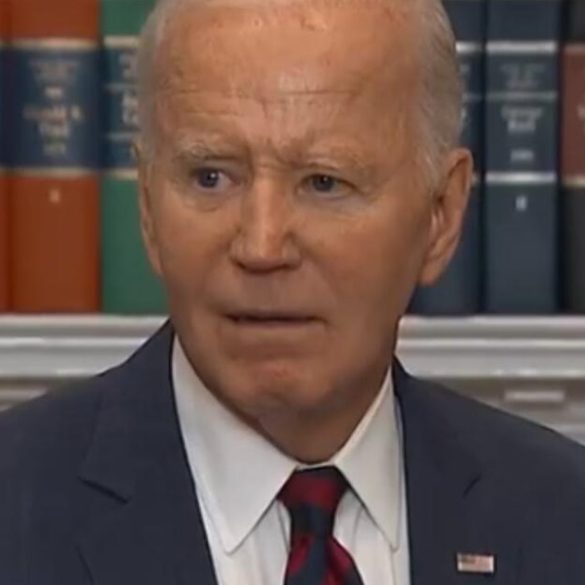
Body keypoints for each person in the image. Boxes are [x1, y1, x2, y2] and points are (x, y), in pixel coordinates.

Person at [2, 0, 585, 583]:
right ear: (149, 208)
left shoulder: (563, 517)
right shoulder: (17, 504)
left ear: (441, 215)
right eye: (211, 177)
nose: (261, 247)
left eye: (324, 182)